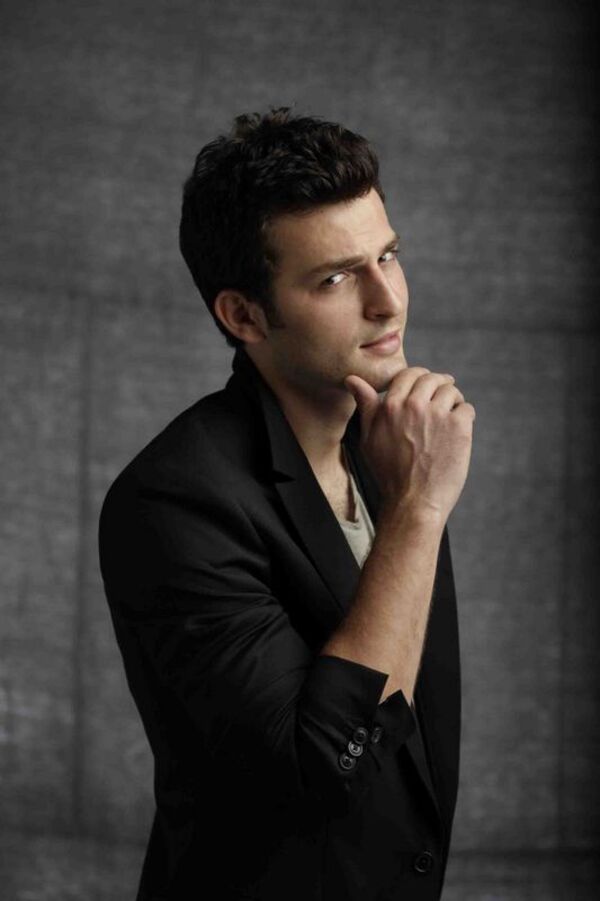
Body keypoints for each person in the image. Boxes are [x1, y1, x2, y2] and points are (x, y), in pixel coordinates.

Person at [98, 107, 475, 901]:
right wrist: (416, 512)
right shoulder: (172, 501)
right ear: (243, 315)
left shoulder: (391, 446)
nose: (387, 300)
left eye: (388, 255)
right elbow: (321, 771)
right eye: (335, 278)